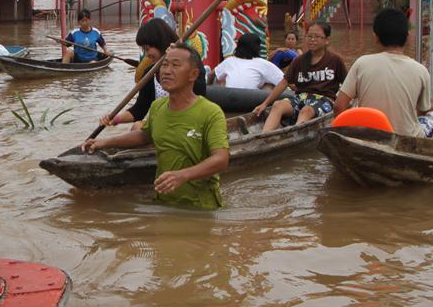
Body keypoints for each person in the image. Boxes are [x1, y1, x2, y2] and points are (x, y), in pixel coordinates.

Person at [84, 45, 229, 210]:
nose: (166, 71)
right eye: (165, 65)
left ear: (193, 74)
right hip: (164, 203)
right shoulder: (157, 107)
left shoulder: (210, 112)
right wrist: (104, 142)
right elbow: (144, 136)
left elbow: (221, 160)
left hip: (201, 208)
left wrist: (183, 175)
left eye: (175, 65)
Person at [333, 8, 433, 139]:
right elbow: (421, 114)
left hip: (370, 134)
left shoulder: (362, 63)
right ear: (406, 37)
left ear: (376, 37)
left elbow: (338, 106)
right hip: (409, 138)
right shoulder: (420, 70)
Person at [100, 18, 206, 129]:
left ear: (159, 43)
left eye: (147, 49)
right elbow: (139, 110)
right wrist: (115, 119)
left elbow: (199, 92)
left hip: (189, 123)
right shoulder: (150, 74)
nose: (147, 55)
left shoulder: (191, 60)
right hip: (164, 125)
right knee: (137, 126)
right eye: (144, 50)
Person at [253, 21, 347, 133]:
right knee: (278, 105)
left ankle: (294, 135)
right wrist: (265, 104)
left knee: (306, 111)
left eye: (317, 37)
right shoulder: (299, 60)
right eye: (309, 36)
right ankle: (264, 137)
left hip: (325, 99)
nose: (312, 40)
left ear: (326, 40)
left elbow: (347, 85)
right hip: (301, 97)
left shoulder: (335, 60)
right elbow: (284, 83)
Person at [212, 33, 284, 89]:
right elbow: (283, 80)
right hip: (252, 101)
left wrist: (208, 87)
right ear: (257, 48)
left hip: (227, 99)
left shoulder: (229, 61)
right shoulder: (262, 63)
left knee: (222, 80)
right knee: (269, 85)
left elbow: (211, 75)